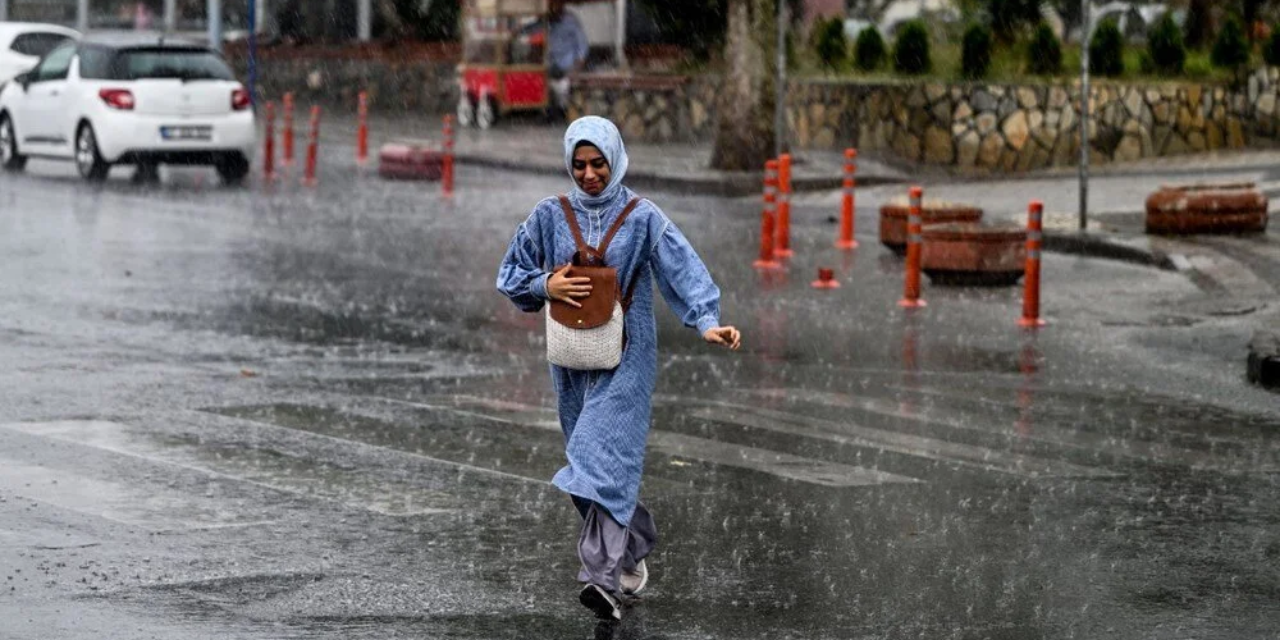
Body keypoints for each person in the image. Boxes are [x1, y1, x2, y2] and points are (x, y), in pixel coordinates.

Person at [496, 116, 741, 620]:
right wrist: (548, 285)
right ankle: (633, 542)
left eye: (598, 163)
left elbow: (683, 268)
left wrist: (707, 322)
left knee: (595, 457)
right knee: (588, 465)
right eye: (579, 164)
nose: (588, 174)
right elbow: (510, 275)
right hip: (569, 360)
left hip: (627, 357)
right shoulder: (548, 214)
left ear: (616, 159)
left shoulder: (642, 216)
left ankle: (600, 579)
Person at [546, 0, 588, 115]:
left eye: (555, 5)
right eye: (551, 6)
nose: (553, 9)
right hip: (550, 65)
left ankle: (563, 110)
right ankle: (552, 111)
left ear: (561, 6)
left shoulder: (571, 21)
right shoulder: (547, 22)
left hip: (567, 65)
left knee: (564, 88)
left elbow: (582, 44)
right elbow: (532, 29)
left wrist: (578, 64)